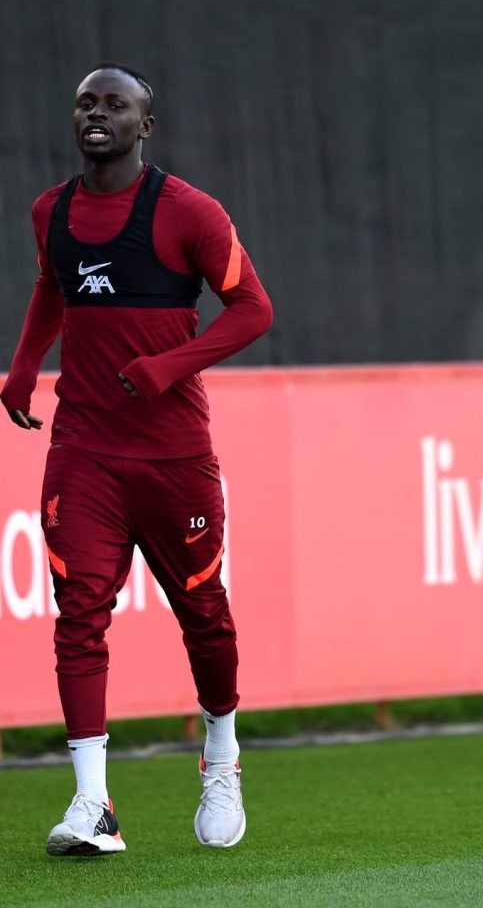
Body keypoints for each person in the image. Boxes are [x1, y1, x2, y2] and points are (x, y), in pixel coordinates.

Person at [1, 63, 273, 855]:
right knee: (79, 613)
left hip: (173, 455)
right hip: (83, 448)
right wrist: (23, 366)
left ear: (144, 125)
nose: (97, 113)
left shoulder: (189, 212)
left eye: (114, 104)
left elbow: (253, 309)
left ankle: (220, 753)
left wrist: (169, 367)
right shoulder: (51, 210)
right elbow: (54, 286)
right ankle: (94, 804)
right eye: (85, 102)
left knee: (204, 613)